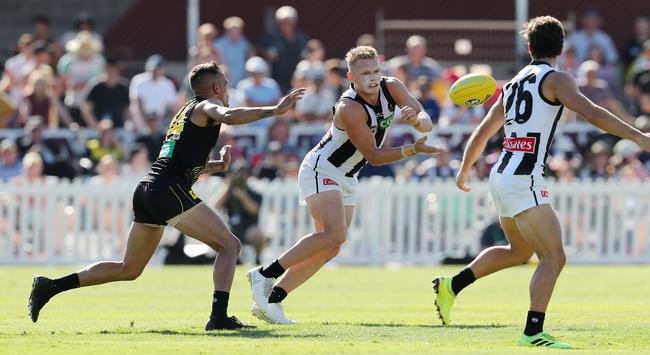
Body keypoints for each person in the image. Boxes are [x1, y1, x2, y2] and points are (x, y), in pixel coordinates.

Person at [28, 62, 306, 330]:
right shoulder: (209, 105)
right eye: (226, 84)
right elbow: (229, 117)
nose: (228, 90)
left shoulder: (185, 110)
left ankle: (51, 286)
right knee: (229, 246)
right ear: (217, 88)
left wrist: (214, 166)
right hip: (167, 190)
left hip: (150, 188)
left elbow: (177, 161)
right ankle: (218, 317)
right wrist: (276, 109)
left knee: (129, 269)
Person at [432, 16, 650, 349]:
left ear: (529, 47)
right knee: (554, 257)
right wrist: (637, 136)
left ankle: (452, 285)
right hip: (524, 178)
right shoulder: (557, 79)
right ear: (561, 48)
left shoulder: (515, 82)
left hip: (502, 175)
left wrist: (463, 172)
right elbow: (593, 113)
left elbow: (482, 132)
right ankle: (533, 331)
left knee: (519, 251)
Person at [247, 46, 443, 324]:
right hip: (322, 168)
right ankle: (264, 274)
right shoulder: (349, 107)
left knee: (331, 246)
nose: (373, 78)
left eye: (376, 71)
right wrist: (412, 150)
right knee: (334, 235)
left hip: (348, 175)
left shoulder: (393, 86)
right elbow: (374, 156)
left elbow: (425, 120)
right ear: (351, 76)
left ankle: (272, 299)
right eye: (366, 73)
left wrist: (419, 121)